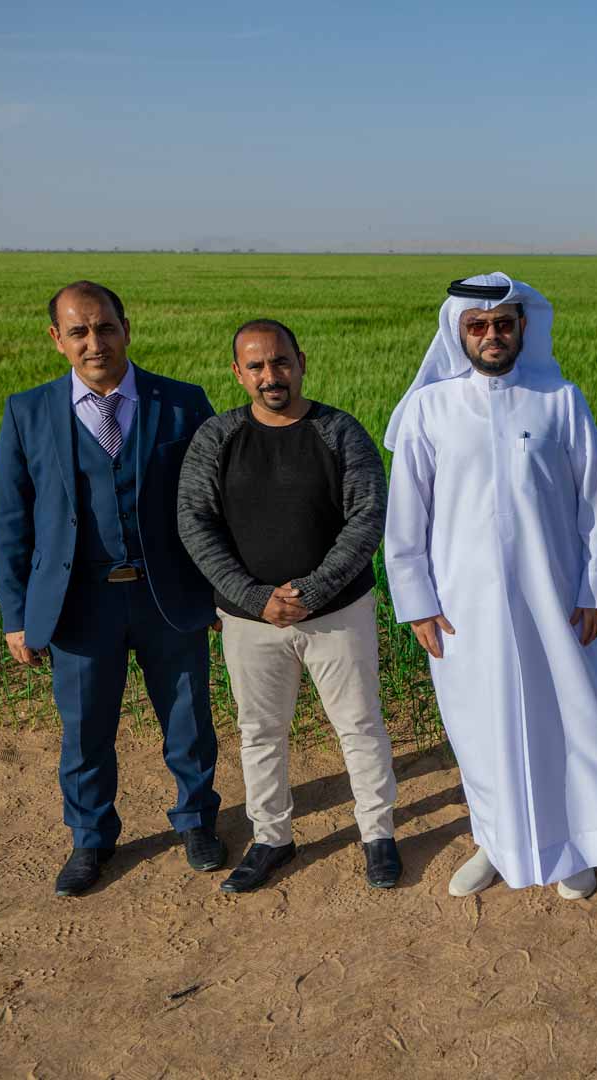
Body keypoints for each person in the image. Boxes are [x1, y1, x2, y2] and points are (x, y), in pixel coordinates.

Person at [383, 272, 597, 901]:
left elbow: (595, 503)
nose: (492, 335)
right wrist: (417, 604)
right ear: (458, 331)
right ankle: (495, 842)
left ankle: (572, 845)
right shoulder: (429, 409)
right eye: (478, 325)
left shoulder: (559, 399)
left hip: (557, 600)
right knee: (480, 728)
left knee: (573, 722)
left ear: (523, 328)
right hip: (465, 610)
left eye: (504, 323)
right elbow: (407, 517)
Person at [0, 281, 225, 897]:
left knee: (188, 717)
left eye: (105, 327)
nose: (94, 342)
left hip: (166, 595)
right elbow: (10, 521)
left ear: (127, 326)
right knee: (85, 728)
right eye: (79, 331)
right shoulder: (28, 411)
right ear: (58, 339)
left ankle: (197, 819)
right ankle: (90, 837)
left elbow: (211, 505)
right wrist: (16, 615)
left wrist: (219, 590)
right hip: (78, 603)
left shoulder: (180, 403)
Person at [177, 318, 400, 893]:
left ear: (301, 361)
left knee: (359, 725)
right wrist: (256, 598)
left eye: (280, 362)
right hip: (248, 620)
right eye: (256, 366)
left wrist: (312, 592)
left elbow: (367, 518)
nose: (270, 376)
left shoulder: (340, 431)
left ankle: (378, 834)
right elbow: (195, 523)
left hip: (338, 613)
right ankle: (272, 836)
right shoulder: (217, 438)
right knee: (259, 731)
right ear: (237, 373)